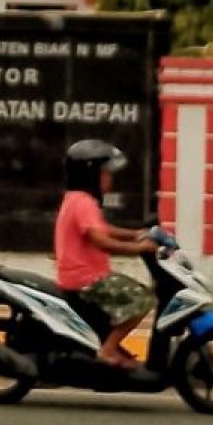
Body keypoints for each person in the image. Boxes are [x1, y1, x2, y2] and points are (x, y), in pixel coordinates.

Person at [54, 139, 159, 370]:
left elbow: (103, 229)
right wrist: (138, 248)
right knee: (142, 298)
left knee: (125, 295)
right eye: (105, 173)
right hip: (87, 281)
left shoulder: (76, 199)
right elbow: (100, 240)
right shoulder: (83, 203)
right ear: (90, 174)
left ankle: (108, 342)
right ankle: (108, 350)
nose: (109, 179)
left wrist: (134, 234)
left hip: (82, 277)